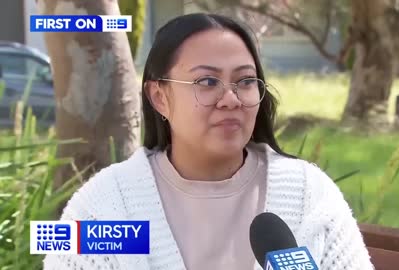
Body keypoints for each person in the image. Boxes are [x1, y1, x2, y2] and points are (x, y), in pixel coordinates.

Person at [44, 13, 374, 270]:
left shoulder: (308, 194)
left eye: (245, 81)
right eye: (207, 81)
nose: (230, 99)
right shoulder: (106, 206)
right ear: (159, 97)